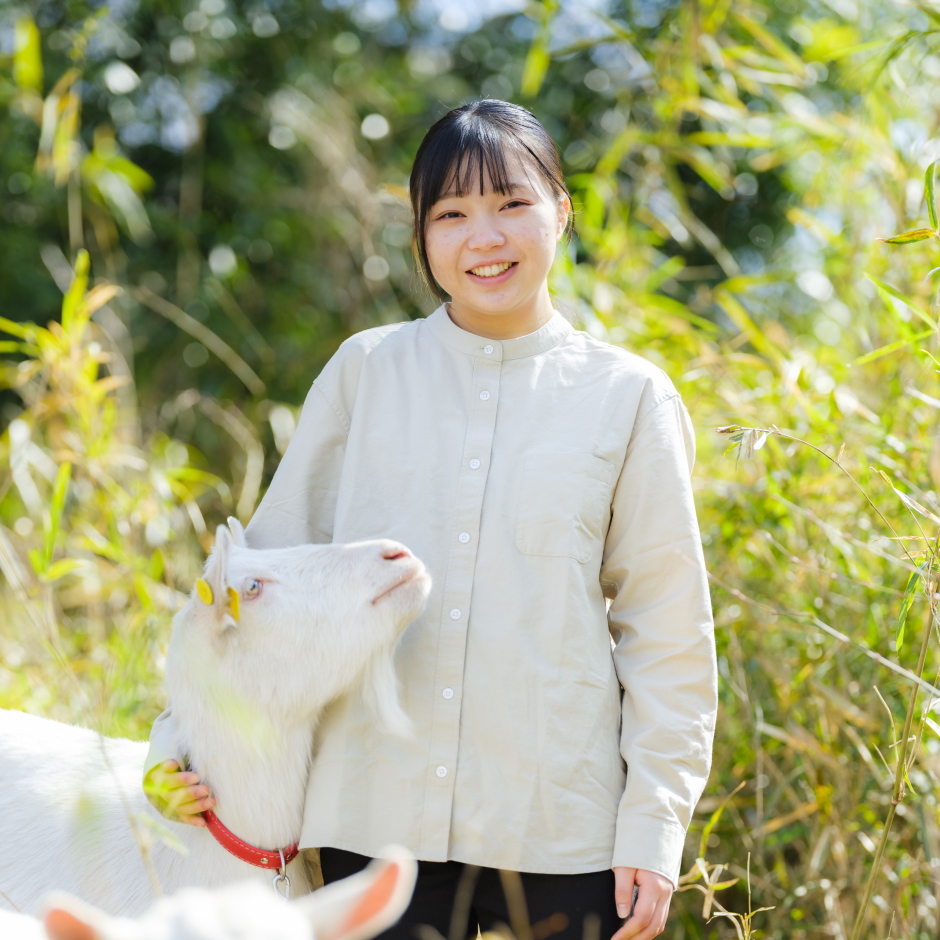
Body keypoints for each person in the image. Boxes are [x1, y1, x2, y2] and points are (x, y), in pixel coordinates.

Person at [143, 99, 717, 940]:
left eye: (511, 204)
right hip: (373, 816)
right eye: (451, 214)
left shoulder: (628, 398)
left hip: (561, 825)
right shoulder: (365, 372)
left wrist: (655, 825)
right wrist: (174, 749)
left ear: (561, 210)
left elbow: (666, 630)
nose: (484, 237)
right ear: (421, 236)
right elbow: (253, 578)